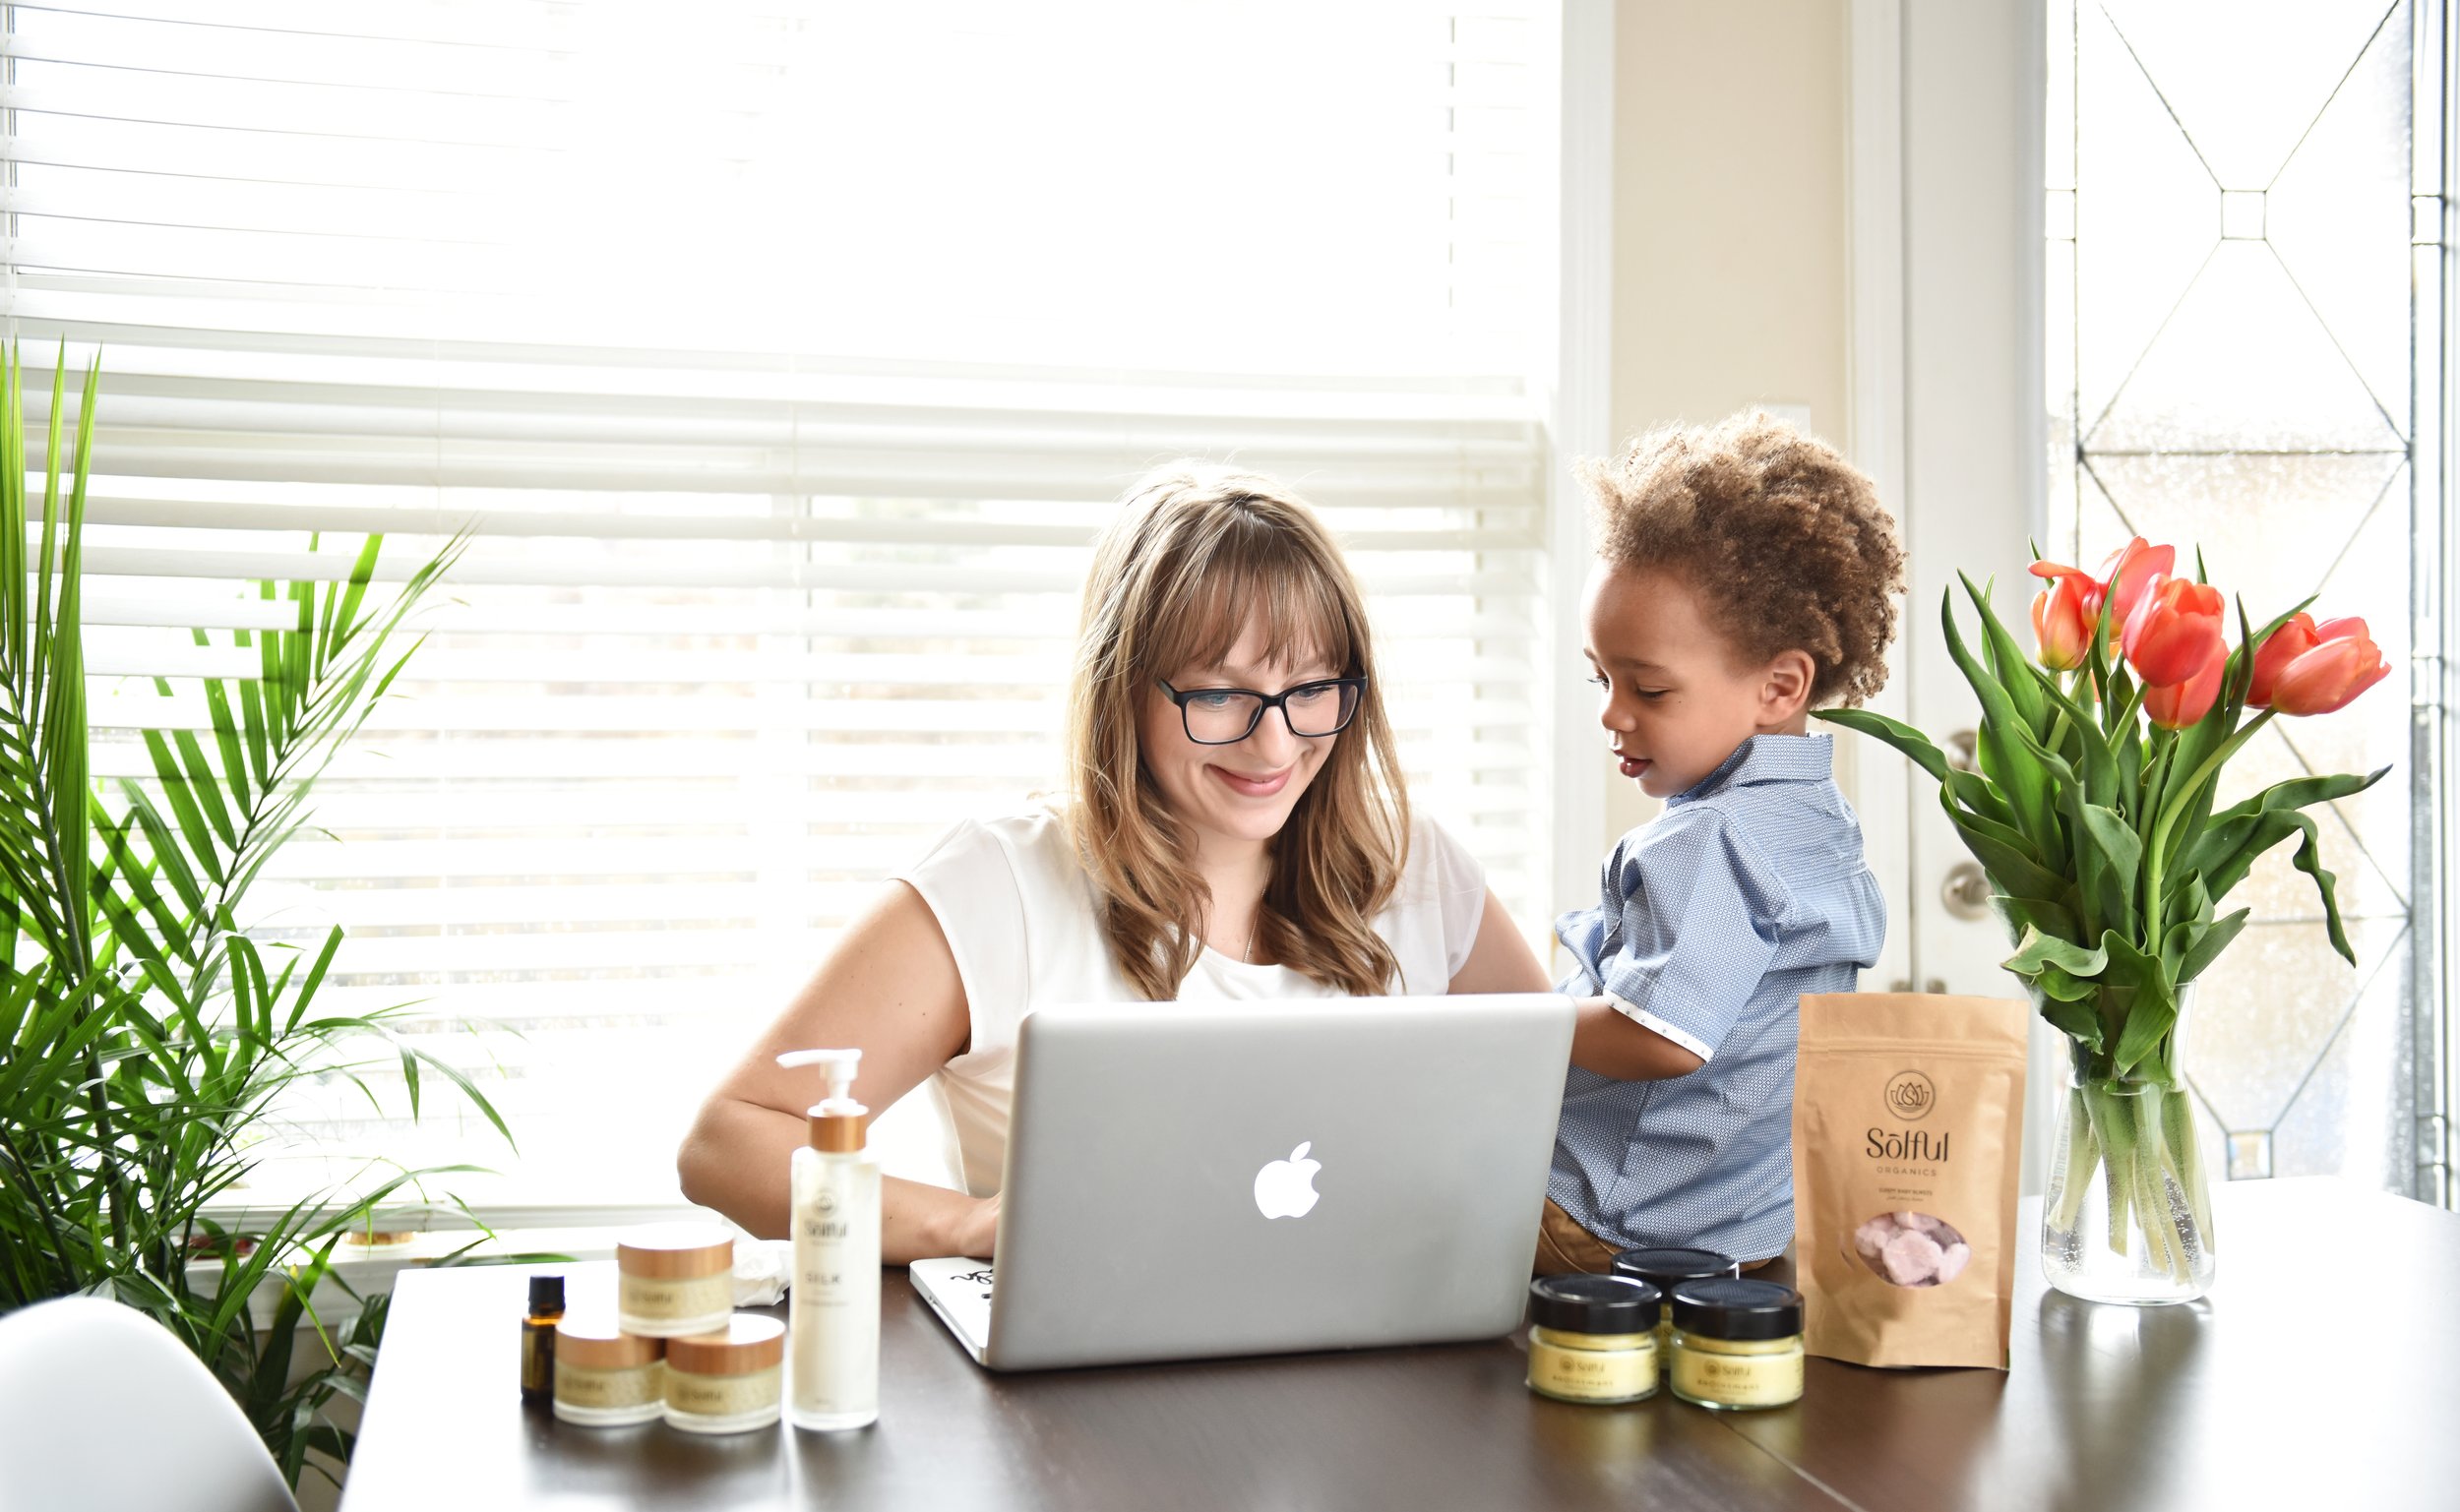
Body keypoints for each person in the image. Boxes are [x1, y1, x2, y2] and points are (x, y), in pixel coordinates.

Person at [678, 465, 1550, 1262]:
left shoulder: (1413, 866)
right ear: (1123, 685)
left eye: (1312, 688)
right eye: (1219, 693)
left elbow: (1563, 1108)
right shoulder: (1004, 884)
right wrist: (967, 1224)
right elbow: (728, 1140)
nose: (1275, 741)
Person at [1535, 411, 1904, 1274]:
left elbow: (1662, 1035)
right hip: (1739, 1224)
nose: (1612, 713)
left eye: (1651, 688)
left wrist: (1521, 1026)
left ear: (1780, 684)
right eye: (1602, 676)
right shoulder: (1818, 824)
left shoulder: (1712, 838)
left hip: (1604, 1213)